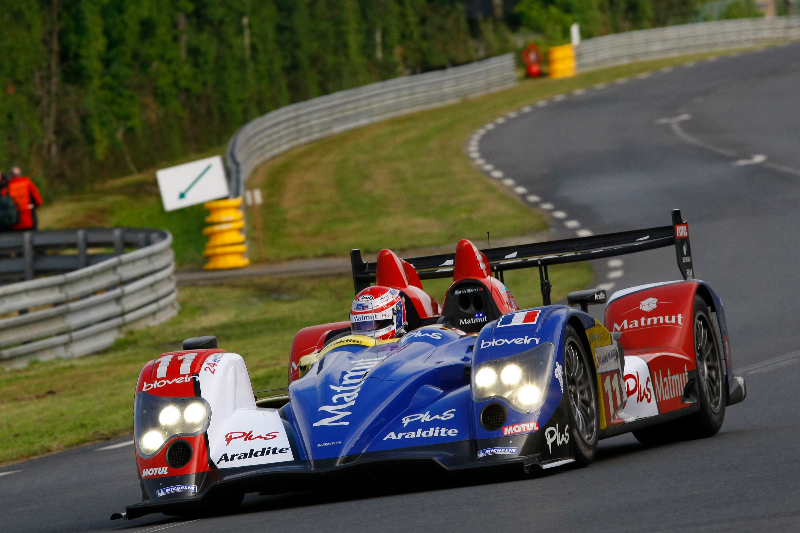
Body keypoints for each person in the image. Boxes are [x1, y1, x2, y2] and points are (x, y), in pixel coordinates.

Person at [1, 167, 43, 231]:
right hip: (29, 221)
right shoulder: (28, 183)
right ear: (20, 174)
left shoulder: (8, 186)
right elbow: (39, 201)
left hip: (13, 222)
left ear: (11, 175)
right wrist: (31, 207)